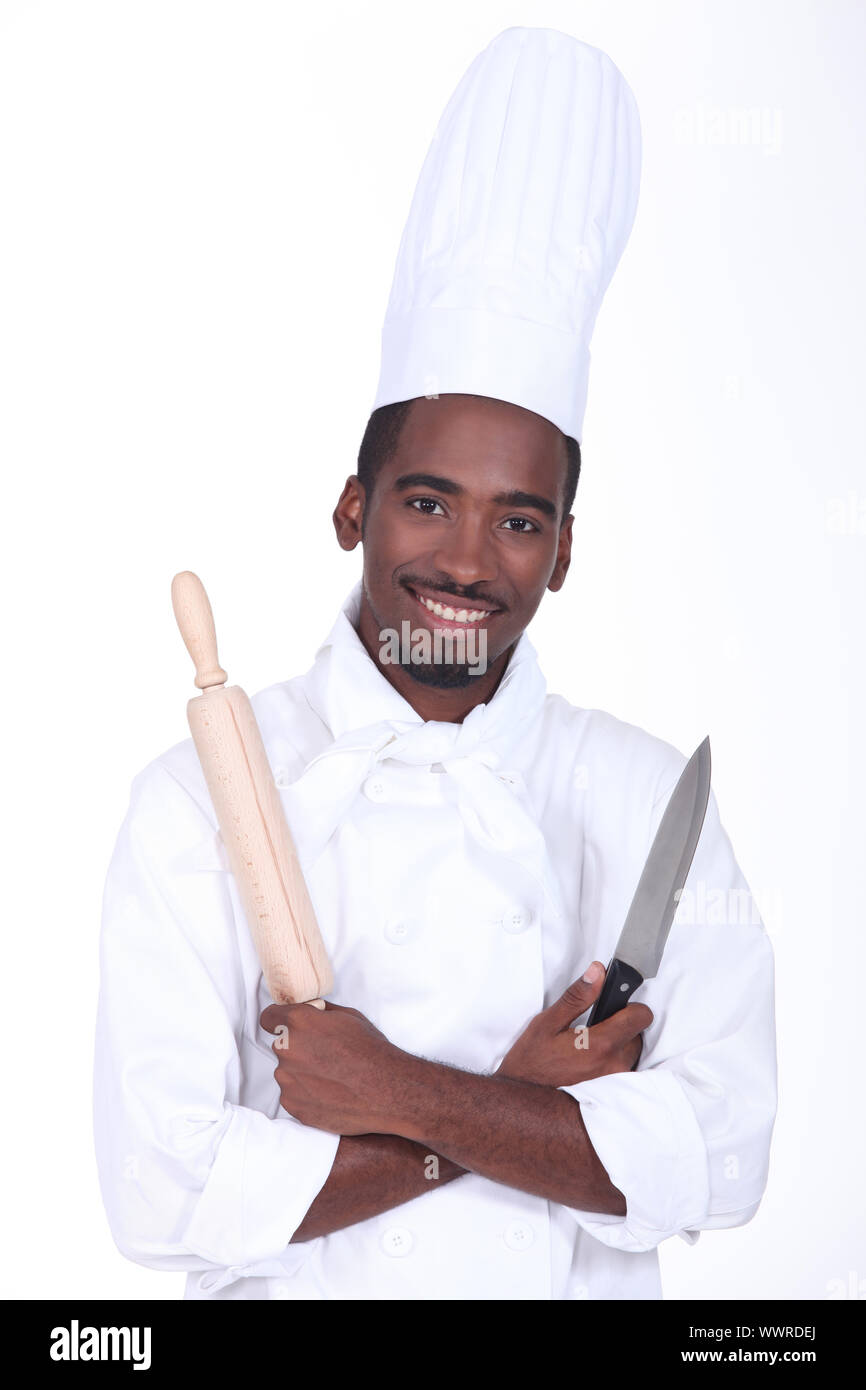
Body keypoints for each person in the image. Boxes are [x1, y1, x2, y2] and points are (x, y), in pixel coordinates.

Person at [94, 28, 777, 1301]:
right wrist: (524, 1108)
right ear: (351, 507)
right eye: (425, 501)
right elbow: (162, 1190)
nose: (467, 559)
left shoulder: (637, 802)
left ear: (564, 551)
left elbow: (721, 1154)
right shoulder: (198, 801)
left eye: (518, 518)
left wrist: (401, 1094)